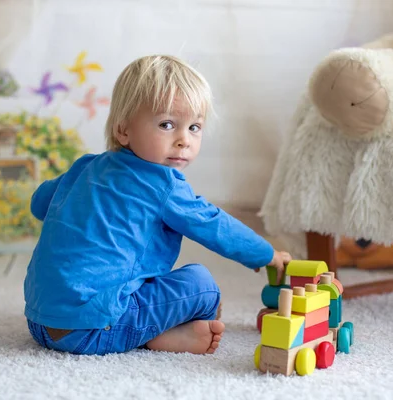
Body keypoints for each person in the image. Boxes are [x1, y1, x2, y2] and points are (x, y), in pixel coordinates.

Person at [24, 54, 292, 356]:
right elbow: (215, 226)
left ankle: (151, 333)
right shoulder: (163, 184)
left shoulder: (85, 166)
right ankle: (153, 335)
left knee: (137, 283)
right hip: (94, 328)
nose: (183, 140)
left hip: (40, 322)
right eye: (167, 124)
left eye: (194, 127)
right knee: (202, 287)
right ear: (123, 130)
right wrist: (266, 254)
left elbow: (38, 204)